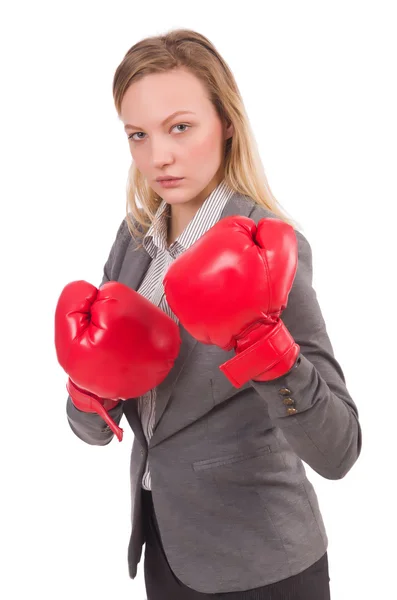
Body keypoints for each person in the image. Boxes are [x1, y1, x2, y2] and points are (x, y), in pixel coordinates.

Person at [63, 28, 362, 599]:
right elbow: (94, 433)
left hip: (265, 565)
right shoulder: (133, 245)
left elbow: (340, 449)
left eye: (180, 127)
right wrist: (88, 388)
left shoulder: (270, 249)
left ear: (225, 121)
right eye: (138, 135)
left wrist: (268, 350)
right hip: (166, 550)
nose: (159, 156)